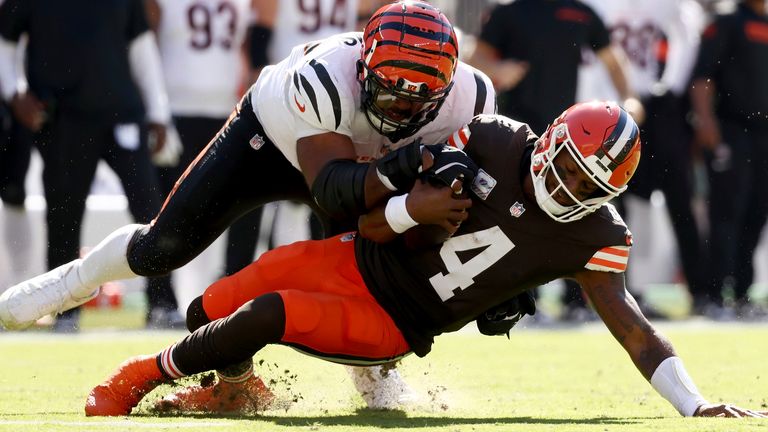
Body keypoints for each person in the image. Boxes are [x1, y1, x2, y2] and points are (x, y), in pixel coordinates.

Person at [83, 102, 767, 419]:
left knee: (268, 313)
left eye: (593, 186)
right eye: (571, 171)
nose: (574, 189)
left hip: (396, 321)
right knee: (212, 306)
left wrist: (695, 405)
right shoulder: (495, 141)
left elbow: (636, 331)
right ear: (550, 141)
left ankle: (140, 377)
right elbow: (376, 224)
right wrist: (422, 209)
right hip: (357, 256)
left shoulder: (595, 234)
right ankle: (237, 390)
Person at [0, 0, 495, 407]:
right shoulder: (326, 77)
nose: (402, 113)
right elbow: (330, 188)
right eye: (390, 98)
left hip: (360, 167)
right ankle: (70, 284)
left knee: (370, 261)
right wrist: (413, 161)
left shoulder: (473, 98)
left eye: (417, 105)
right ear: (363, 69)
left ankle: (372, 376)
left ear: (447, 89)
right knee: (163, 246)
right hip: (277, 143)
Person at [0, 0, 186, 331]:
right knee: (64, 217)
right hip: (63, 119)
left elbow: (141, 47)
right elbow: (5, 42)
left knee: (150, 210)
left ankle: (162, 302)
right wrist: (15, 94)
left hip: (123, 113)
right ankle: (64, 312)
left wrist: (158, 113)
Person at [573, 0, 707, 320]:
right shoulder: (591, 7)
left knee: (642, 204)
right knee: (591, 202)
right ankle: (585, 298)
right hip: (595, 112)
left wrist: (671, 84)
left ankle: (637, 293)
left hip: (642, 108)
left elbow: (689, 30)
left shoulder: (662, 4)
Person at [689, 0, 768, 318]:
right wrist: (706, 122)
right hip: (732, 130)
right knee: (726, 212)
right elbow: (702, 77)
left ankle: (743, 293)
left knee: (757, 212)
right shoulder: (726, 21)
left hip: (765, 135)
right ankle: (714, 294)